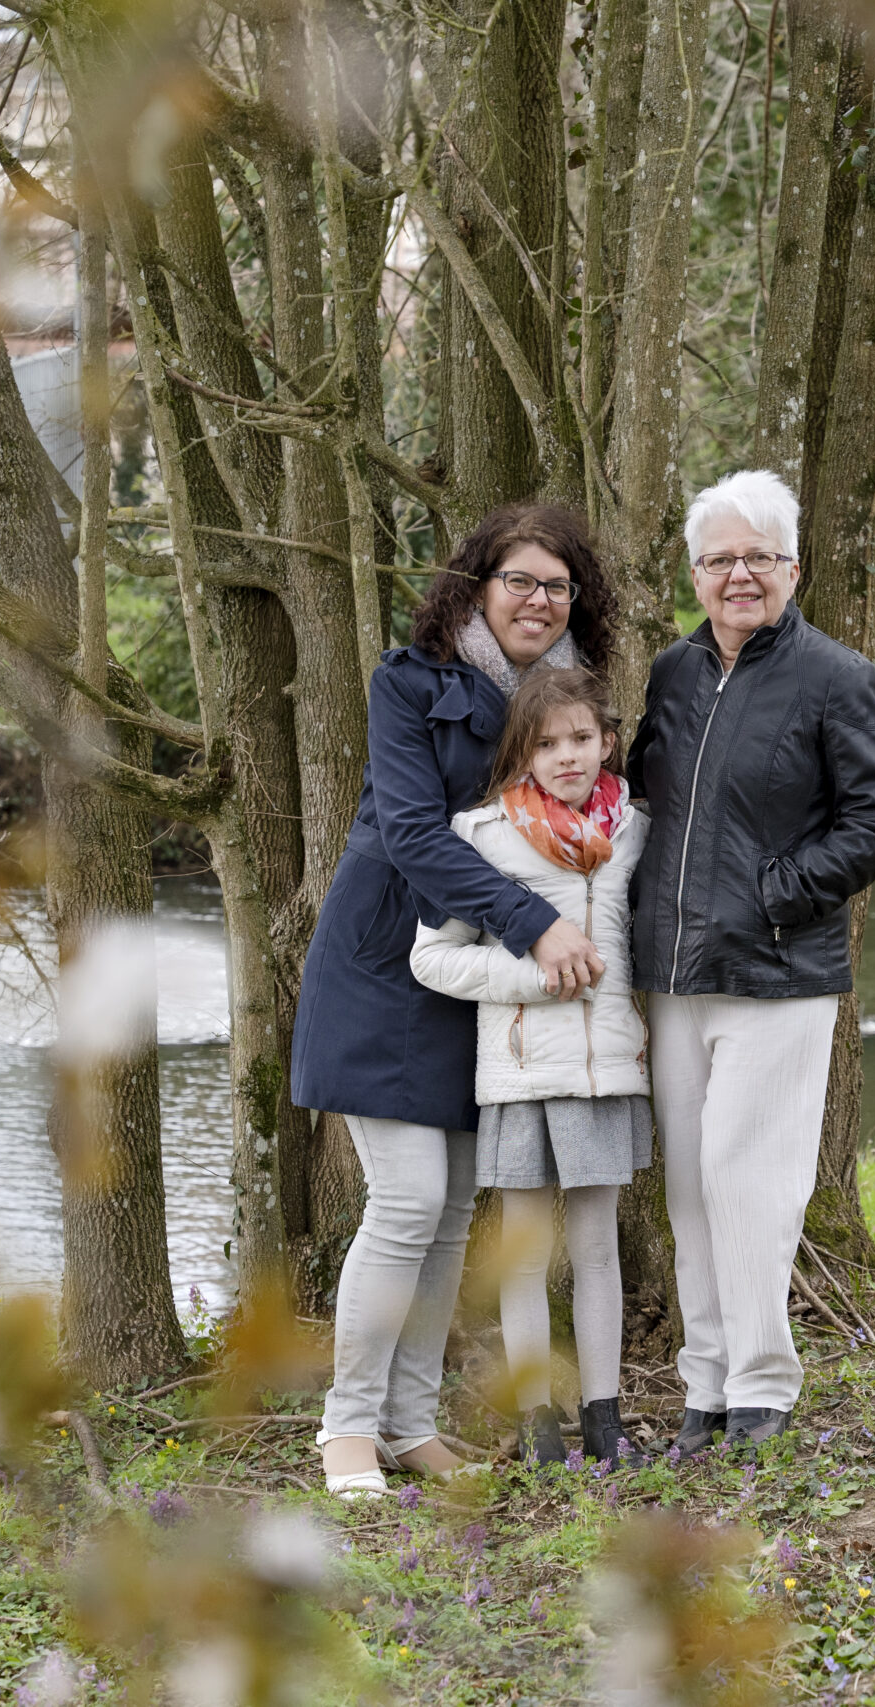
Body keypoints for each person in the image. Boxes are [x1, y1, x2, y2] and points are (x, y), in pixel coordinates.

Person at [291, 502, 619, 1499]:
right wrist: (538, 926)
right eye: (518, 579)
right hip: (386, 956)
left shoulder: (568, 706)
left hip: (482, 981)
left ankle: (407, 1422)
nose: (536, 598)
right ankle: (344, 1428)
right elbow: (414, 833)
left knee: (448, 1216)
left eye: (555, 585)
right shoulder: (409, 683)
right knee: (406, 1201)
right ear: (476, 586)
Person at [627, 468, 875, 1458]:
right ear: (693, 574)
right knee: (691, 1189)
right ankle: (703, 1385)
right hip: (670, 974)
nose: (737, 576)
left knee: (752, 1182)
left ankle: (761, 1386)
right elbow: (647, 808)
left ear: (792, 567)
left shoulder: (837, 678)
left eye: (758, 557)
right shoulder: (668, 676)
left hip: (778, 975)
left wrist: (773, 893)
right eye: (718, 560)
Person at [409, 668, 650, 1467]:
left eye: (582, 738)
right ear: (522, 752)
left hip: (607, 1073)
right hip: (518, 1076)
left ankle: (605, 1420)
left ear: (608, 741)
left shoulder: (636, 832)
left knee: (596, 1250)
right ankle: (540, 1427)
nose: (567, 756)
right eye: (546, 743)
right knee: (524, 1254)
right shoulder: (482, 835)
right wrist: (531, 977)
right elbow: (431, 958)